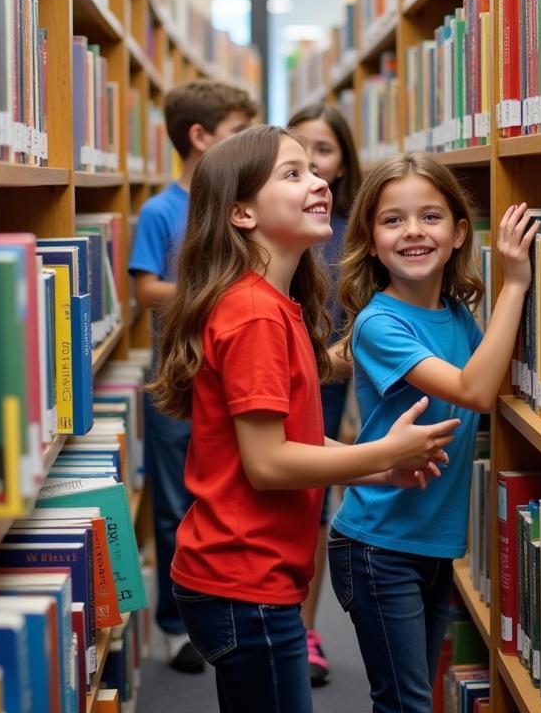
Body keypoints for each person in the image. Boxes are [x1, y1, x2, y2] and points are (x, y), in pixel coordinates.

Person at [147, 125, 461, 713]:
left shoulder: (273, 304)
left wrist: (372, 474)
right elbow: (267, 464)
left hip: (242, 578)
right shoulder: (255, 316)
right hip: (244, 581)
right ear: (242, 212)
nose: (317, 181)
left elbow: (288, 440)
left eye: (314, 171)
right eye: (292, 174)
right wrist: (382, 454)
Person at [328, 153, 538, 713]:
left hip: (432, 545)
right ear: (370, 241)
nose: (413, 231)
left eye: (431, 216)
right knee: (406, 703)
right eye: (392, 220)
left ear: (459, 232)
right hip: (378, 544)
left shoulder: (456, 313)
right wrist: (515, 285)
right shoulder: (379, 323)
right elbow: (474, 390)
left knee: (409, 700)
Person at [127, 79, 257, 673]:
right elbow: (147, 287)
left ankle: (230, 604)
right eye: (235, 133)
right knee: (176, 499)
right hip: (181, 379)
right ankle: (177, 626)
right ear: (200, 137)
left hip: (240, 374)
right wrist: (216, 294)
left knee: (236, 488)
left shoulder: (238, 205)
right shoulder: (160, 210)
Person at [286, 103, 362, 686]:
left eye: (325, 150)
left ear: (342, 165)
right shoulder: (286, 229)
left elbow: (361, 320)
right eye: (301, 150)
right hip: (286, 374)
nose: (314, 162)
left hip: (329, 384)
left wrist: (330, 363)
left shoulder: (352, 235)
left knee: (314, 504)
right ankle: (278, 622)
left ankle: (305, 630)